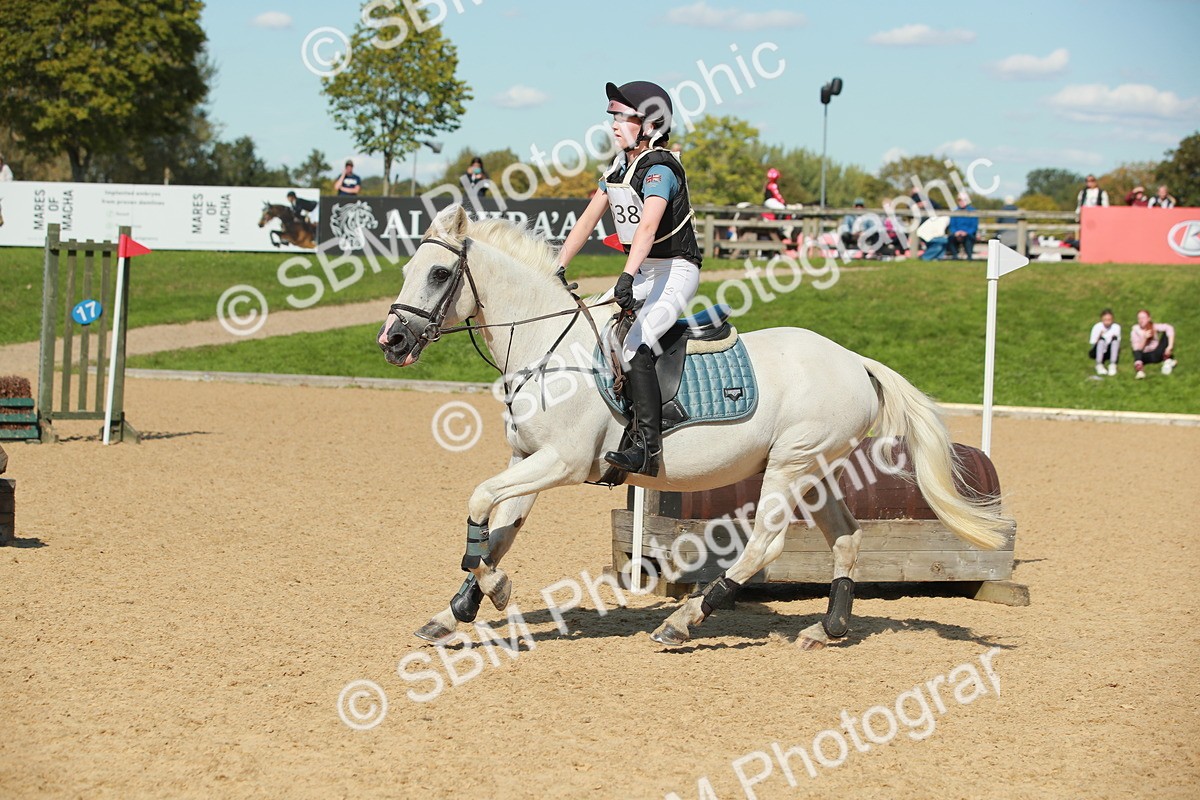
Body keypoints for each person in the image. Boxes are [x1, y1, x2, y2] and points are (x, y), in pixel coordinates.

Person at [556, 80, 702, 476]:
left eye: (623, 118)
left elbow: (648, 227)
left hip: (675, 270)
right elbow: (587, 221)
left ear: (651, 124)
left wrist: (626, 275)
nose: (614, 125)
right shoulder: (619, 169)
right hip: (644, 269)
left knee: (636, 344)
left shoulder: (660, 169)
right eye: (613, 117)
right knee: (597, 331)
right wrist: (557, 265)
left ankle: (647, 448)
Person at [1130, 309, 1176, 379]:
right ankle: (1140, 371)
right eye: (1139, 318)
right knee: (1136, 352)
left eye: (1143, 318)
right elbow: (1137, 349)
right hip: (1144, 356)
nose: (1141, 320)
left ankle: (1167, 360)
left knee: (1166, 334)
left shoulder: (1153, 326)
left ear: (1149, 319)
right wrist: (1144, 338)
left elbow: (1169, 328)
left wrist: (1170, 346)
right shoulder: (1135, 330)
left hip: (1157, 353)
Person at [1088, 308, 1122, 376]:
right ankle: (1099, 364)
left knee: (1115, 341)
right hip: (1098, 349)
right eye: (1105, 320)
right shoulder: (1097, 327)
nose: (1107, 322)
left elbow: (1118, 341)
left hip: (1109, 350)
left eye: (1109, 320)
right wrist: (1099, 336)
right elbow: (1093, 343)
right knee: (1101, 341)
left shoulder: (1116, 327)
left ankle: (1112, 364)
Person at [945, 192, 979, 259]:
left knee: (969, 239)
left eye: (963, 200)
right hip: (957, 234)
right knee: (951, 238)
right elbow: (952, 225)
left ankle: (969, 257)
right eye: (959, 200)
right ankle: (955, 256)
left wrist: (965, 232)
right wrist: (956, 232)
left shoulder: (972, 211)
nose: (961, 202)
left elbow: (974, 226)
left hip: (968, 234)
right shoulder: (955, 211)